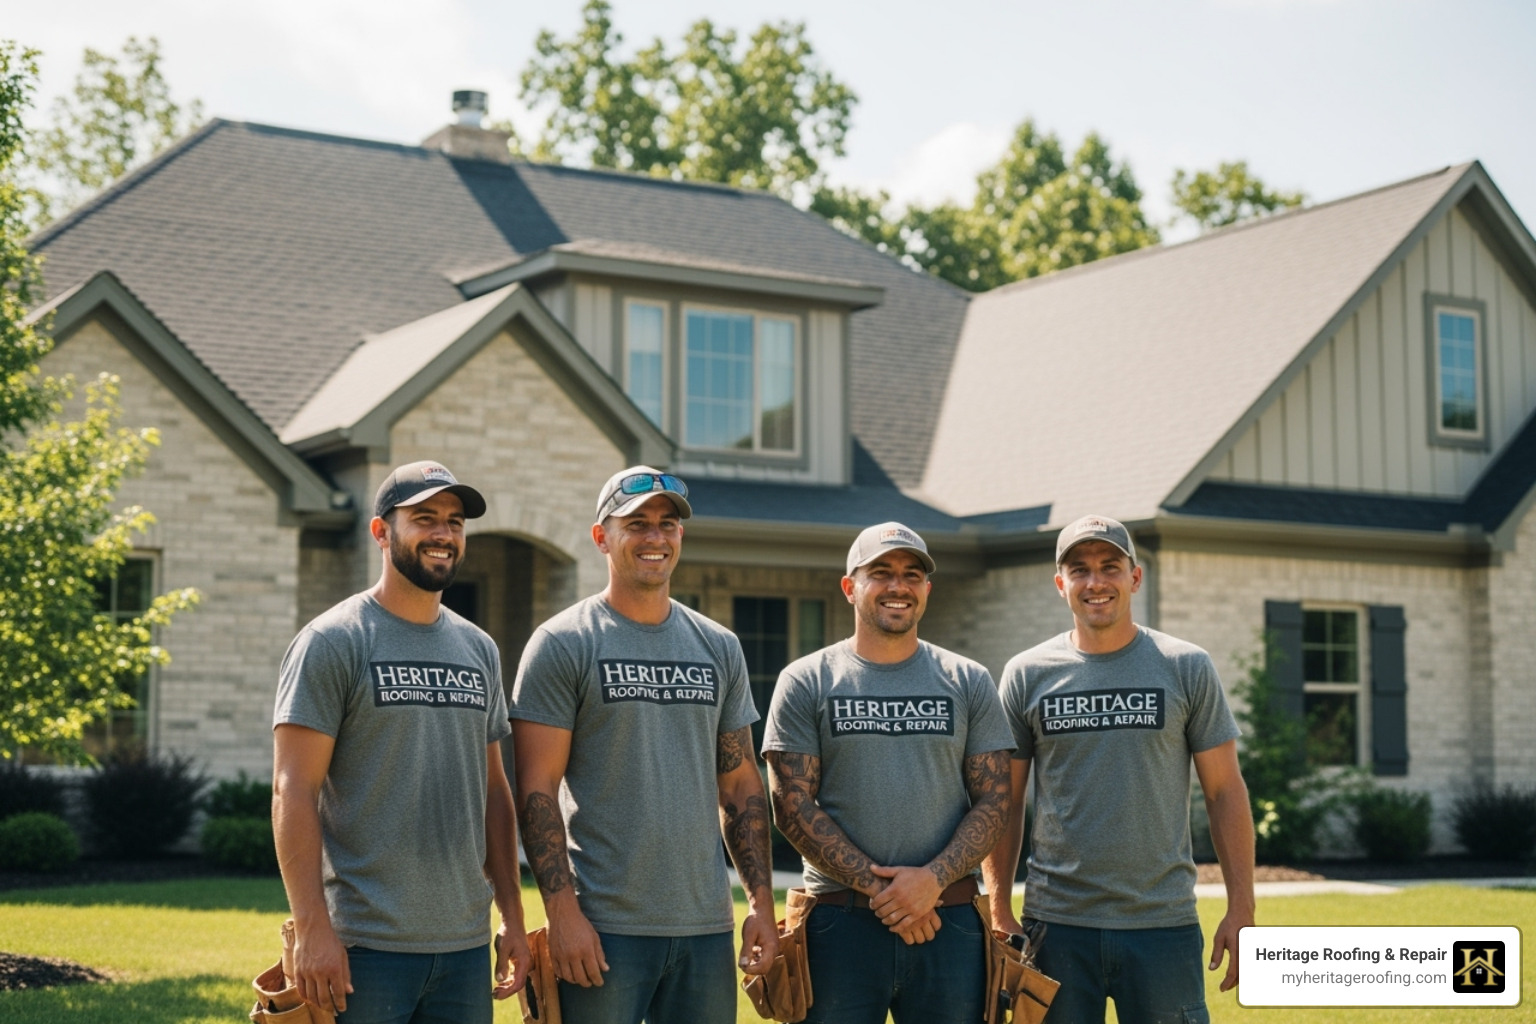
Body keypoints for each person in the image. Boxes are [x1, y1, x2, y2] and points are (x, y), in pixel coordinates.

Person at [509, 466, 777, 1024]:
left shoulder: (719, 647)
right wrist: (562, 913)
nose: (656, 537)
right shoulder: (562, 644)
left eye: (667, 524)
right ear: (601, 537)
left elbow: (739, 784)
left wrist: (760, 905)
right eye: (636, 524)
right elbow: (537, 787)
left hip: (704, 927)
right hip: (603, 929)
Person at [272, 460, 530, 1022]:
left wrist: (511, 915)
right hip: (364, 947)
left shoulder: (479, 649)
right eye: (424, 518)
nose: (444, 533)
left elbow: (493, 790)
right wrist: (313, 929)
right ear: (381, 532)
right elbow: (292, 789)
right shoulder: (333, 641)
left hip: (464, 947)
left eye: (455, 521)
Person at [982, 514, 1256, 1024]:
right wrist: (999, 909)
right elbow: (1004, 800)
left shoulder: (1185, 666)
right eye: (1079, 570)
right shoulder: (1026, 674)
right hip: (1056, 928)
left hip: (1162, 925)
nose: (1096, 582)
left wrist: (1242, 908)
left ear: (1135, 577)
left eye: (1110, 566)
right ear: (1060, 583)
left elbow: (1225, 792)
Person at [762, 521, 1014, 1024]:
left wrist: (933, 881)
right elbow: (791, 806)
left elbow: (995, 800)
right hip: (839, 924)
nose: (898, 585)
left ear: (927, 589)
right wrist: (890, 894)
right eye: (881, 572)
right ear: (849, 586)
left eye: (912, 574)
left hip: (950, 923)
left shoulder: (968, 680)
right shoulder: (806, 680)